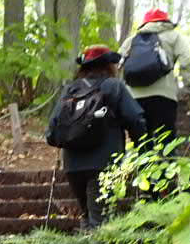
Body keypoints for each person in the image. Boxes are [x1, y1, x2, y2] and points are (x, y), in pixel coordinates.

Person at [46, 45, 146, 229]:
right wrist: (143, 148)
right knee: (99, 219)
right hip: (103, 162)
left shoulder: (71, 90)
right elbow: (135, 119)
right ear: (109, 65)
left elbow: (51, 131)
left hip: (73, 165)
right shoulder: (114, 86)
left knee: (88, 215)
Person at [120, 8, 190, 143]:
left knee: (142, 144)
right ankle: (168, 163)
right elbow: (185, 62)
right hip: (164, 96)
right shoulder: (174, 36)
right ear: (165, 20)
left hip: (135, 99)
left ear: (145, 23)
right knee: (167, 142)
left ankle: (144, 164)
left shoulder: (131, 41)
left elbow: (118, 66)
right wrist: (189, 88)